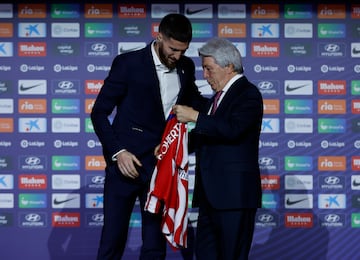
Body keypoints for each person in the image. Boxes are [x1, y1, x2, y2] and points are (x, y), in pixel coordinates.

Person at [90, 13, 206, 260]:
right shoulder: (128, 63)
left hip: (160, 169)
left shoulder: (186, 67)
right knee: (112, 242)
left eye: (183, 51)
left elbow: (195, 102)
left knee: (154, 246)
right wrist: (118, 152)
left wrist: (227, 103)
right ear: (159, 36)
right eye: (173, 49)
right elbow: (99, 113)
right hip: (124, 167)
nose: (177, 56)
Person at [172, 37, 264, 260]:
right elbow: (207, 134)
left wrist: (195, 116)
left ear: (229, 67)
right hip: (209, 198)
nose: (205, 75)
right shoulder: (217, 99)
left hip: (234, 198)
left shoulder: (248, 94)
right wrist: (171, 147)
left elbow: (232, 129)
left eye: (209, 69)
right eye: (203, 69)